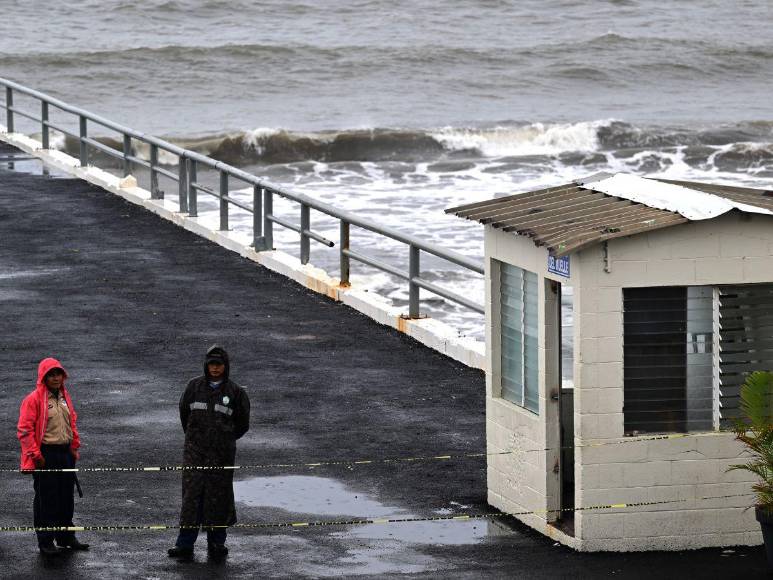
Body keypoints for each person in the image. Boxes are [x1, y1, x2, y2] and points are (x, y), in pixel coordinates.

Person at [168, 345, 250, 560]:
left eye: (219, 364)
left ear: (225, 366)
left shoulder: (236, 392)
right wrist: (196, 440)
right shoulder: (193, 387)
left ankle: (217, 543)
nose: (215, 368)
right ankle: (184, 544)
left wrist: (224, 441)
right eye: (212, 364)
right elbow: (184, 414)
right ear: (206, 365)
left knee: (219, 498)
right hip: (195, 453)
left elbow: (242, 424)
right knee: (191, 498)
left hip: (221, 455)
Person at [17, 358, 89, 556]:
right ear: (43, 377)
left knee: (66, 497)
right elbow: (24, 430)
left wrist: (74, 447)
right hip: (45, 455)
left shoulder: (64, 396)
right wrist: (35, 454)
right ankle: (46, 541)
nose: (56, 378)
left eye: (58, 374)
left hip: (65, 453)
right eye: (51, 374)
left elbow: (71, 420)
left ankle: (66, 537)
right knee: (46, 499)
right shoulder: (33, 399)